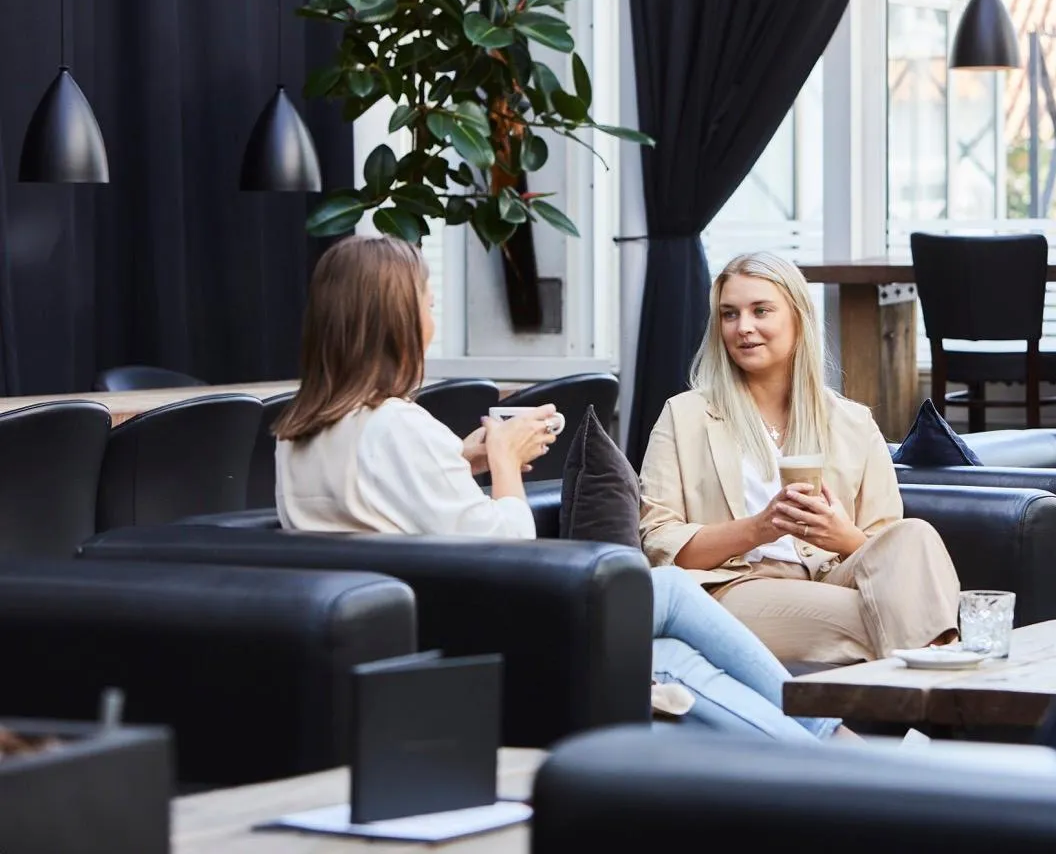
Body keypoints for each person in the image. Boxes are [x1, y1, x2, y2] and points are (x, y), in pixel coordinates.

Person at [274, 234, 841, 743]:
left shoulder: (300, 432)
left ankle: (826, 754)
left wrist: (458, 459)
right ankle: (833, 747)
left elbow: (374, 510)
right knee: (663, 594)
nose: (432, 317)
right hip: (474, 628)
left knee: (662, 653)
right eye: (426, 301)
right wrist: (503, 459)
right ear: (396, 318)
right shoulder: (399, 425)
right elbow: (506, 551)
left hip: (408, 626)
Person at [640, 252, 961, 666]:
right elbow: (659, 544)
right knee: (899, 617)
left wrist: (838, 534)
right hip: (736, 586)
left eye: (761, 311)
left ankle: (929, 710)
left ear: (797, 317)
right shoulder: (685, 415)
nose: (744, 328)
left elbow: (884, 547)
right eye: (729, 314)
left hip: (833, 575)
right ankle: (949, 699)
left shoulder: (851, 421)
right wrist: (760, 528)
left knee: (915, 535)